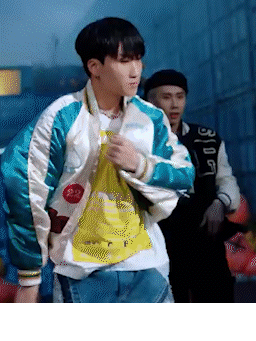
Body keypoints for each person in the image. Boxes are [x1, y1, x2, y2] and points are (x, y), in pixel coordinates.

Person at [1, 17, 195, 303]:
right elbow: (24, 183)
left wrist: (140, 165)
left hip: (146, 269)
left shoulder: (150, 118)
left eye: (138, 59)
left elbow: (184, 173)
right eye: (124, 60)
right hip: (84, 274)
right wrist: (29, 277)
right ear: (94, 67)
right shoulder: (63, 117)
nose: (136, 70)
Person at [144, 69, 241, 303]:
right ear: (150, 101)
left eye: (180, 97)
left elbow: (227, 181)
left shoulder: (208, 139)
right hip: (159, 248)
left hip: (205, 243)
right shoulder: (138, 141)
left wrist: (220, 203)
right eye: (166, 97)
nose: (175, 104)